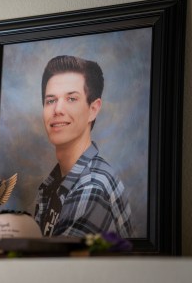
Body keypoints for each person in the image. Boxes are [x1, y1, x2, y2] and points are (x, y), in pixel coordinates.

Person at [34, 55, 133, 238]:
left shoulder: (93, 187)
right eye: (50, 100)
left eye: (71, 99)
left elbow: (56, 266)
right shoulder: (53, 184)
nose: (57, 110)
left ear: (93, 109)